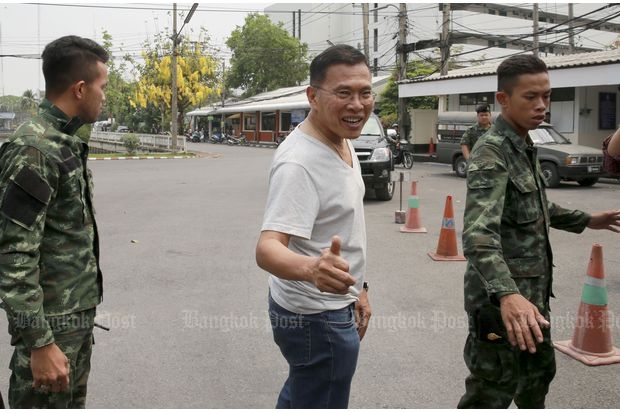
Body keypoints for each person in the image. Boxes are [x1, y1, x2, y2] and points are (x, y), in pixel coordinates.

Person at [458, 54, 620, 409]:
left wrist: (586, 219)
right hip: (503, 304)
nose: (542, 105)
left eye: (546, 96)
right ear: (503, 99)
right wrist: (507, 295)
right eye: (530, 97)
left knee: (537, 380)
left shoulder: (523, 143)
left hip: (531, 299)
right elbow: (478, 235)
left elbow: (534, 208)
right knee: (491, 392)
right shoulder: (492, 151)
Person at [255, 44, 372, 409]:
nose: (357, 104)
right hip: (316, 317)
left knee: (306, 392)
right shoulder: (300, 162)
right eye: (343, 93)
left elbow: (344, 226)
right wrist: (311, 269)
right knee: (319, 399)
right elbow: (267, 247)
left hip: (330, 304)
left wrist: (360, 289)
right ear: (313, 96)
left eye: (365, 92)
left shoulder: (341, 139)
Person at [0, 35, 107, 408]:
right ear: (80, 89)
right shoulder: (35, 151)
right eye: (102, 87)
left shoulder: (65, 140)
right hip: (51, 329)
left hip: (72, 323)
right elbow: (14, 255)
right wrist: (40, 342)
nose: (104, 96)